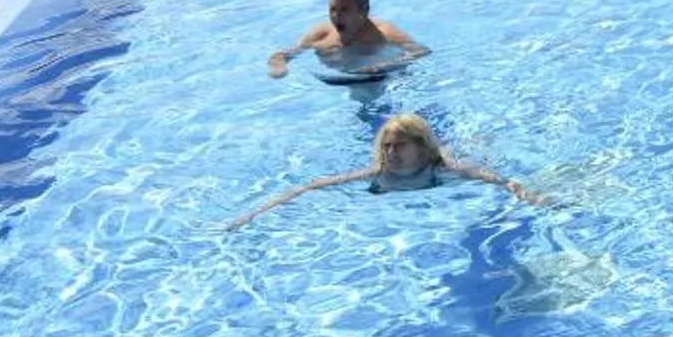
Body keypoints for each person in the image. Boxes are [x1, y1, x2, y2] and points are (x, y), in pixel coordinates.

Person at [230, 114, 542, 227]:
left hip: (448, 155)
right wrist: (253, 215)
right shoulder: (378, 174)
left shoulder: (441, 168)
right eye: (387, 146)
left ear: (421, 148)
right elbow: (311, 187)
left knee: (472, 148)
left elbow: (495, 179)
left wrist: (526, 194)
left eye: (399, 146)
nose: (390, 153)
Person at [266, 0, 425, 80]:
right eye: (333, 9)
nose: (336, 16)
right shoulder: (321, 34)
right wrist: (279, 67)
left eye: (344, 10)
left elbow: (421, 52)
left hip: (383, 79)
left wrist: (382, 67)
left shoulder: (384, 34)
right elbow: (283, 55)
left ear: (364, 11)